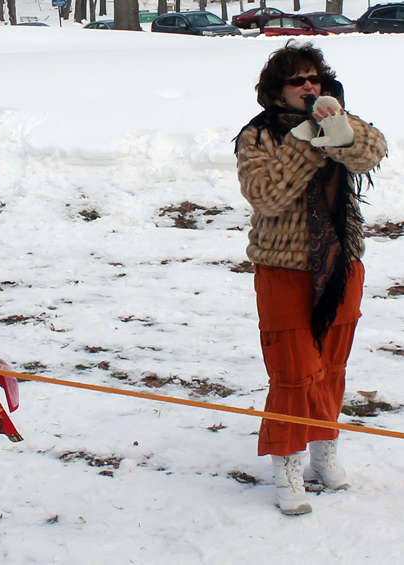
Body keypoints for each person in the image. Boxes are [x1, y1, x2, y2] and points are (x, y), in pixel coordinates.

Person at [234, 41, 387, 515]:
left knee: (332, 365)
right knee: (293, 372)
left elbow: (372, 153)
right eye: (298, 80)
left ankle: (323, 447)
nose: (309, 86)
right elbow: (265, 196)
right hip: (284, 269)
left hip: (341, 264)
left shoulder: (336, 117)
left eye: (314, 78)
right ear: (277, 91)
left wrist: (337, 127)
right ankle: (287, 462)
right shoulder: (256, 135)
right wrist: (305, 139)